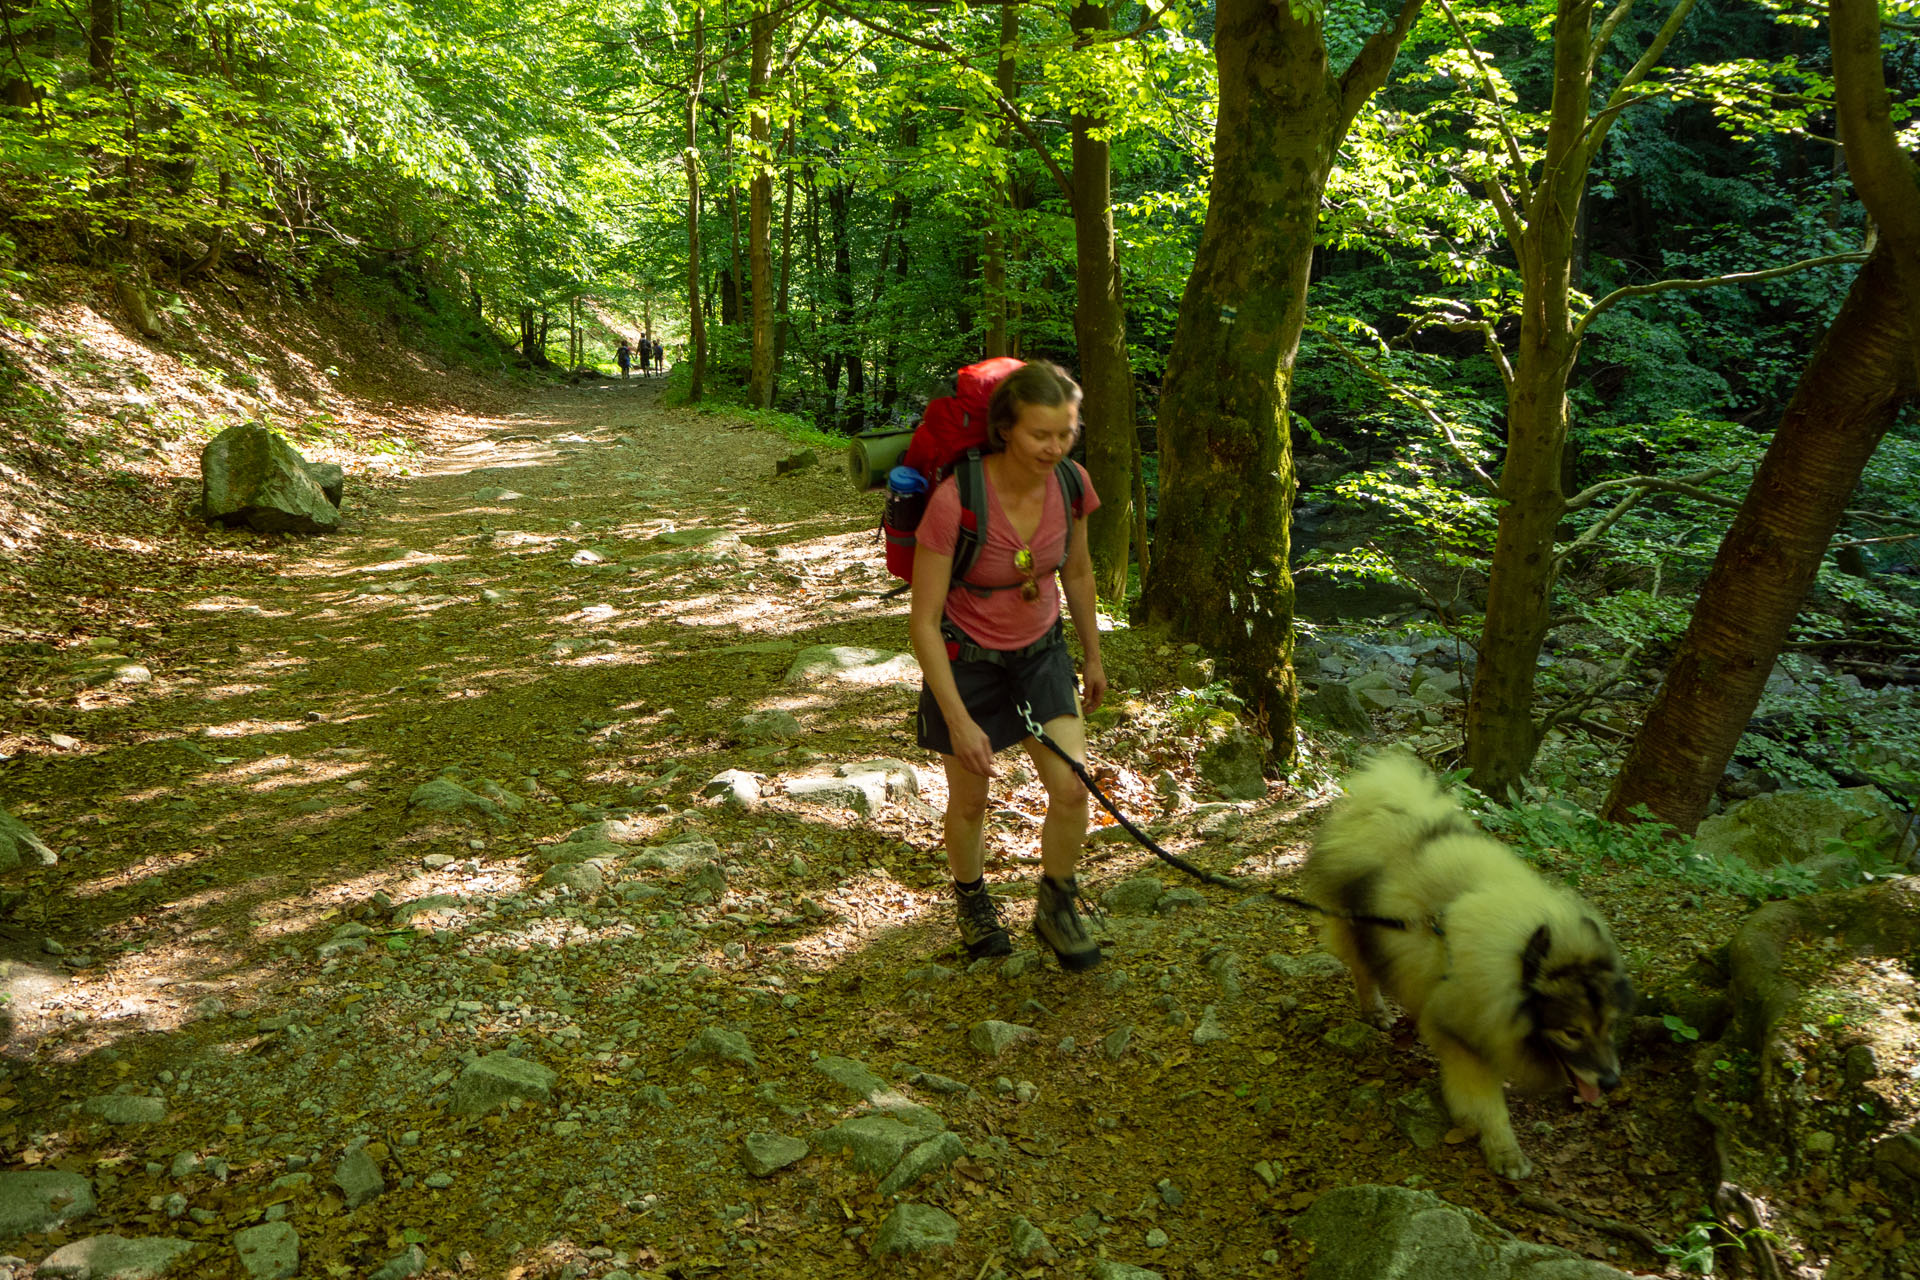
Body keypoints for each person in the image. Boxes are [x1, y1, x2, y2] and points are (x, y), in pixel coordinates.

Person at [907, 362, 1106, 970]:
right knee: (970, 802)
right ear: (1005, 431)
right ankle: (972, 900)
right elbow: (922, 621)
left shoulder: (1071, 483)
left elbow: (1077, 571)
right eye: (1039, 434)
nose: (1054, 447)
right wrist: (959, 719)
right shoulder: (955, 499)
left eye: (1064, 433)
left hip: (1041, 652)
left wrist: (1093, 655)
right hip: (966, 660)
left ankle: (1057, 902)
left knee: (1073, 786)